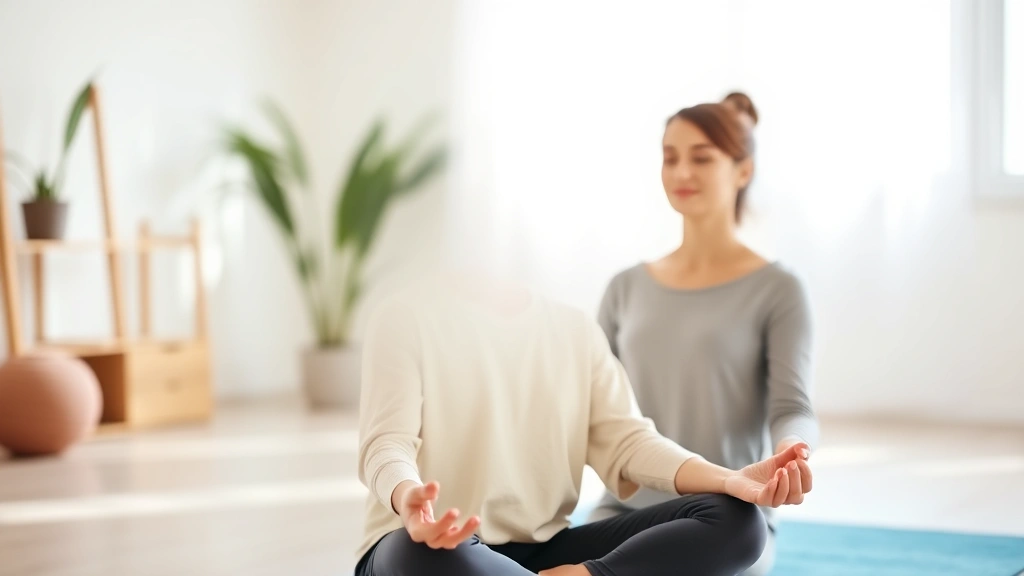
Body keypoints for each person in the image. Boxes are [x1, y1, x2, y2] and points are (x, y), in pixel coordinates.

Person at [355, 271, 813, 576]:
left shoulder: (574, 330)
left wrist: (730, 479)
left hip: (544, 551)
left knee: (737, 519)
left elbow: (630, 443)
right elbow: (386, 446)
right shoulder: (405, 316)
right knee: (418, 557)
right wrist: (406, 496)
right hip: (437, 548)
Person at [588, 93, 818, 576]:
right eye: (670, 157)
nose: (681, 172)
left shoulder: (779, 289)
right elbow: (589, 407)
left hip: (727, 517)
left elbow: (791, 409)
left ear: (743, 170)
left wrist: (791, 453)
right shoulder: (625, 287)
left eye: (701, 157)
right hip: (624, 512)